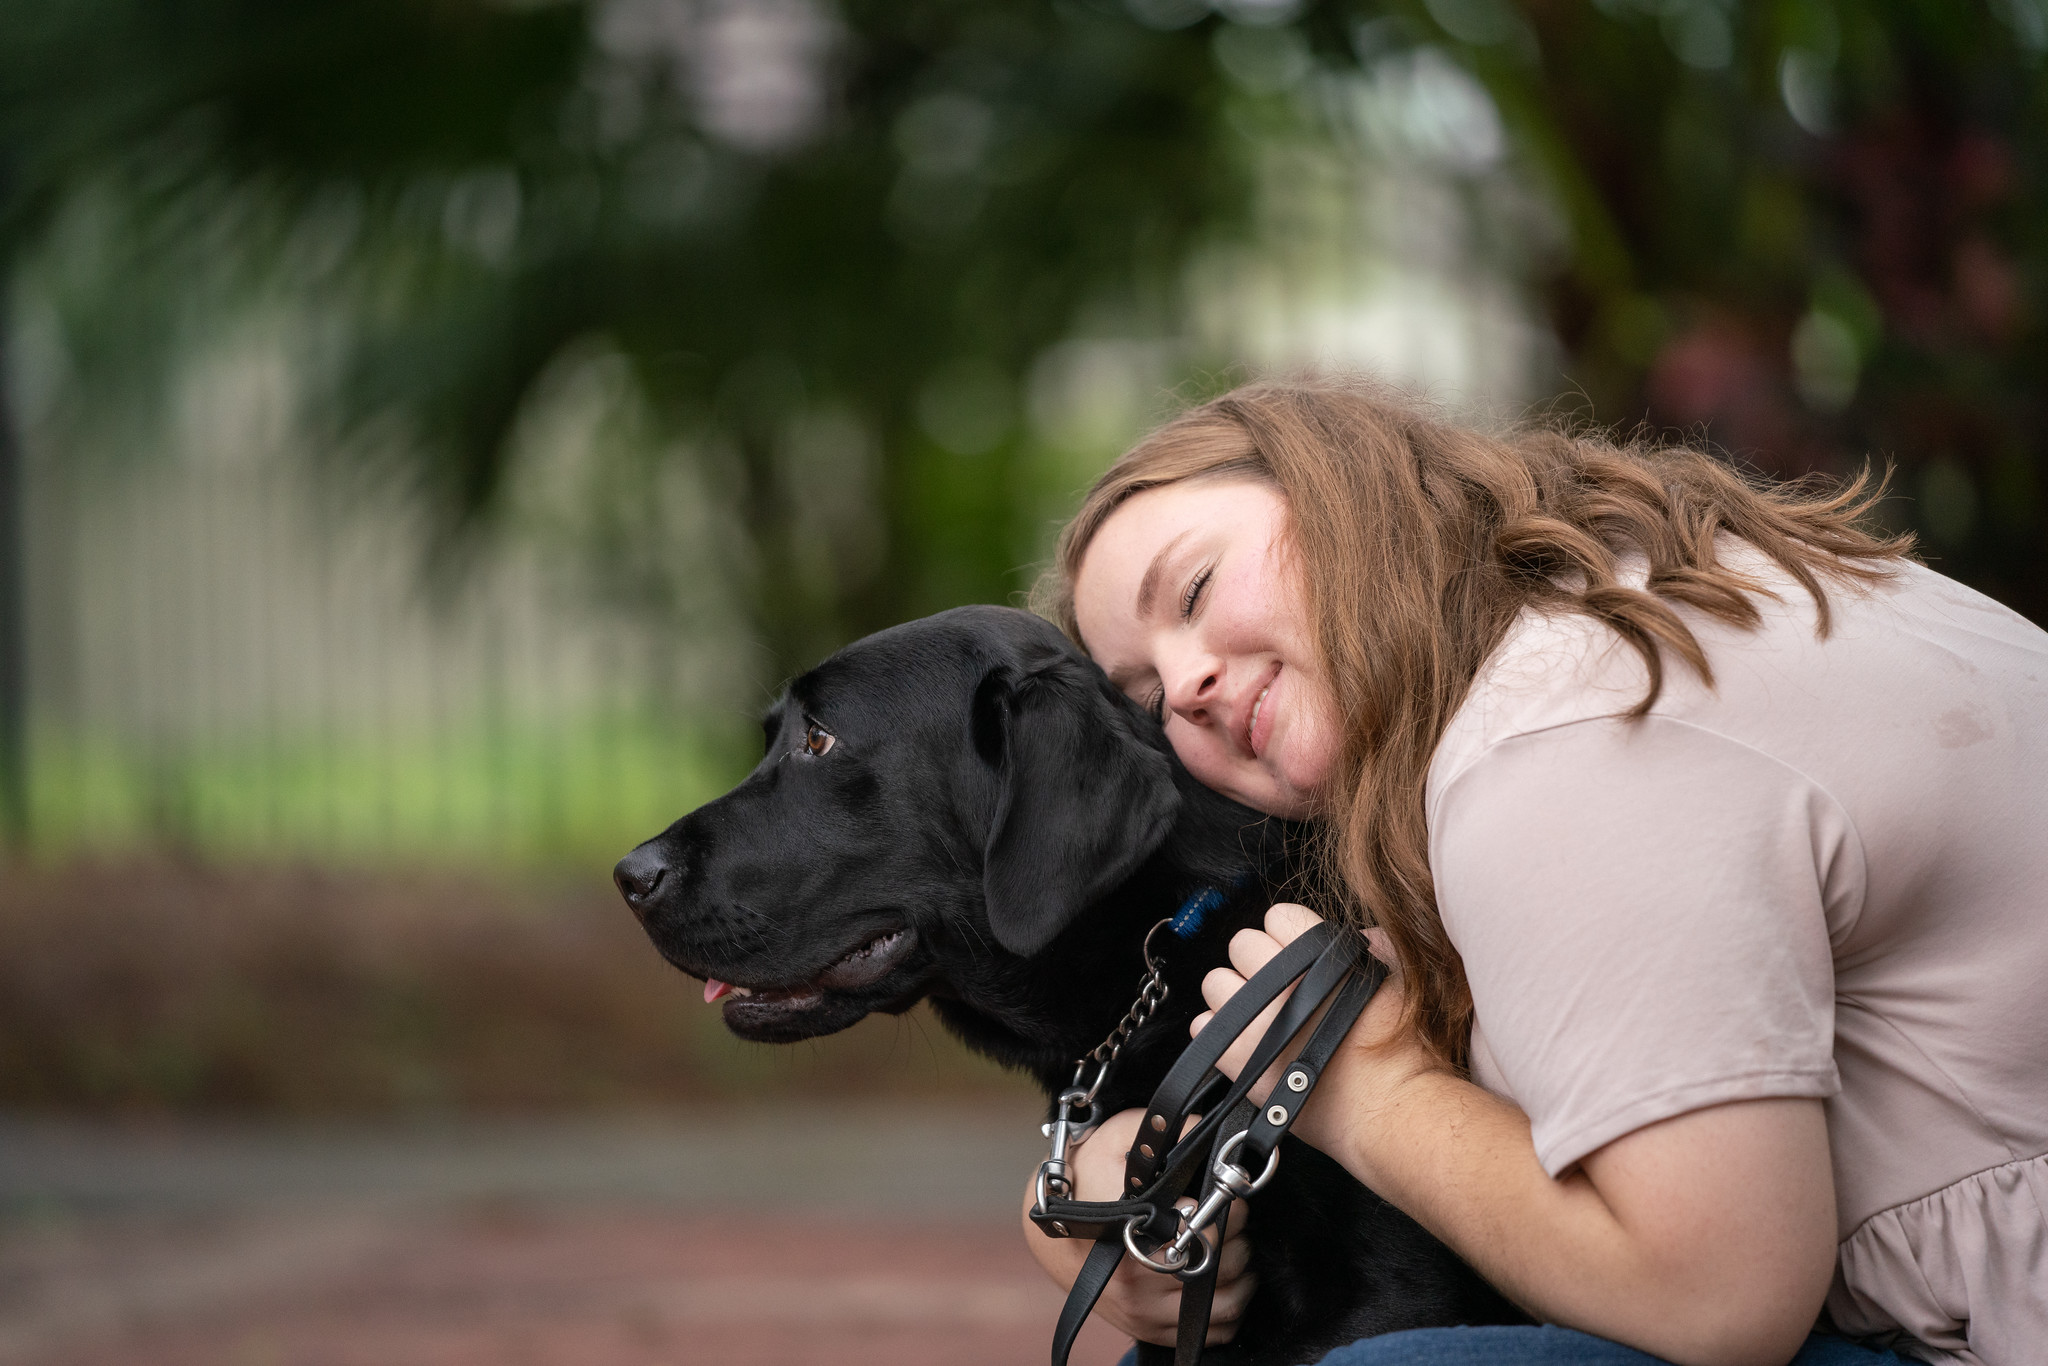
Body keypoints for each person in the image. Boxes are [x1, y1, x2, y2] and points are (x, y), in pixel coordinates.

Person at [1019, 376, 2048, 1366]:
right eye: (1145, 695)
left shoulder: (1560, 741)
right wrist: (1068, 1194)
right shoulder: (1626, 602)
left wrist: (1367, 1093)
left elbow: (1716, 1299)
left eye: (1194, 589)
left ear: (1343, 493)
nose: (1187, 683)